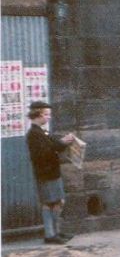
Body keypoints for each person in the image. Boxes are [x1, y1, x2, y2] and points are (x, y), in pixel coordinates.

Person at [26, 101, 76, 245]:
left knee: (55, 202)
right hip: (47, 173)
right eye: (46, 114)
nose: (49, 117)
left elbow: (52, 145)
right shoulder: (35, 134)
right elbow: (45, 152)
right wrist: (62, 143)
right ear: (37, 115)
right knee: (52, 202)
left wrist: (62, 142)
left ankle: (54, 232)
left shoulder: (41, 131)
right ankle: (51, 234)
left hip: (50, 173)